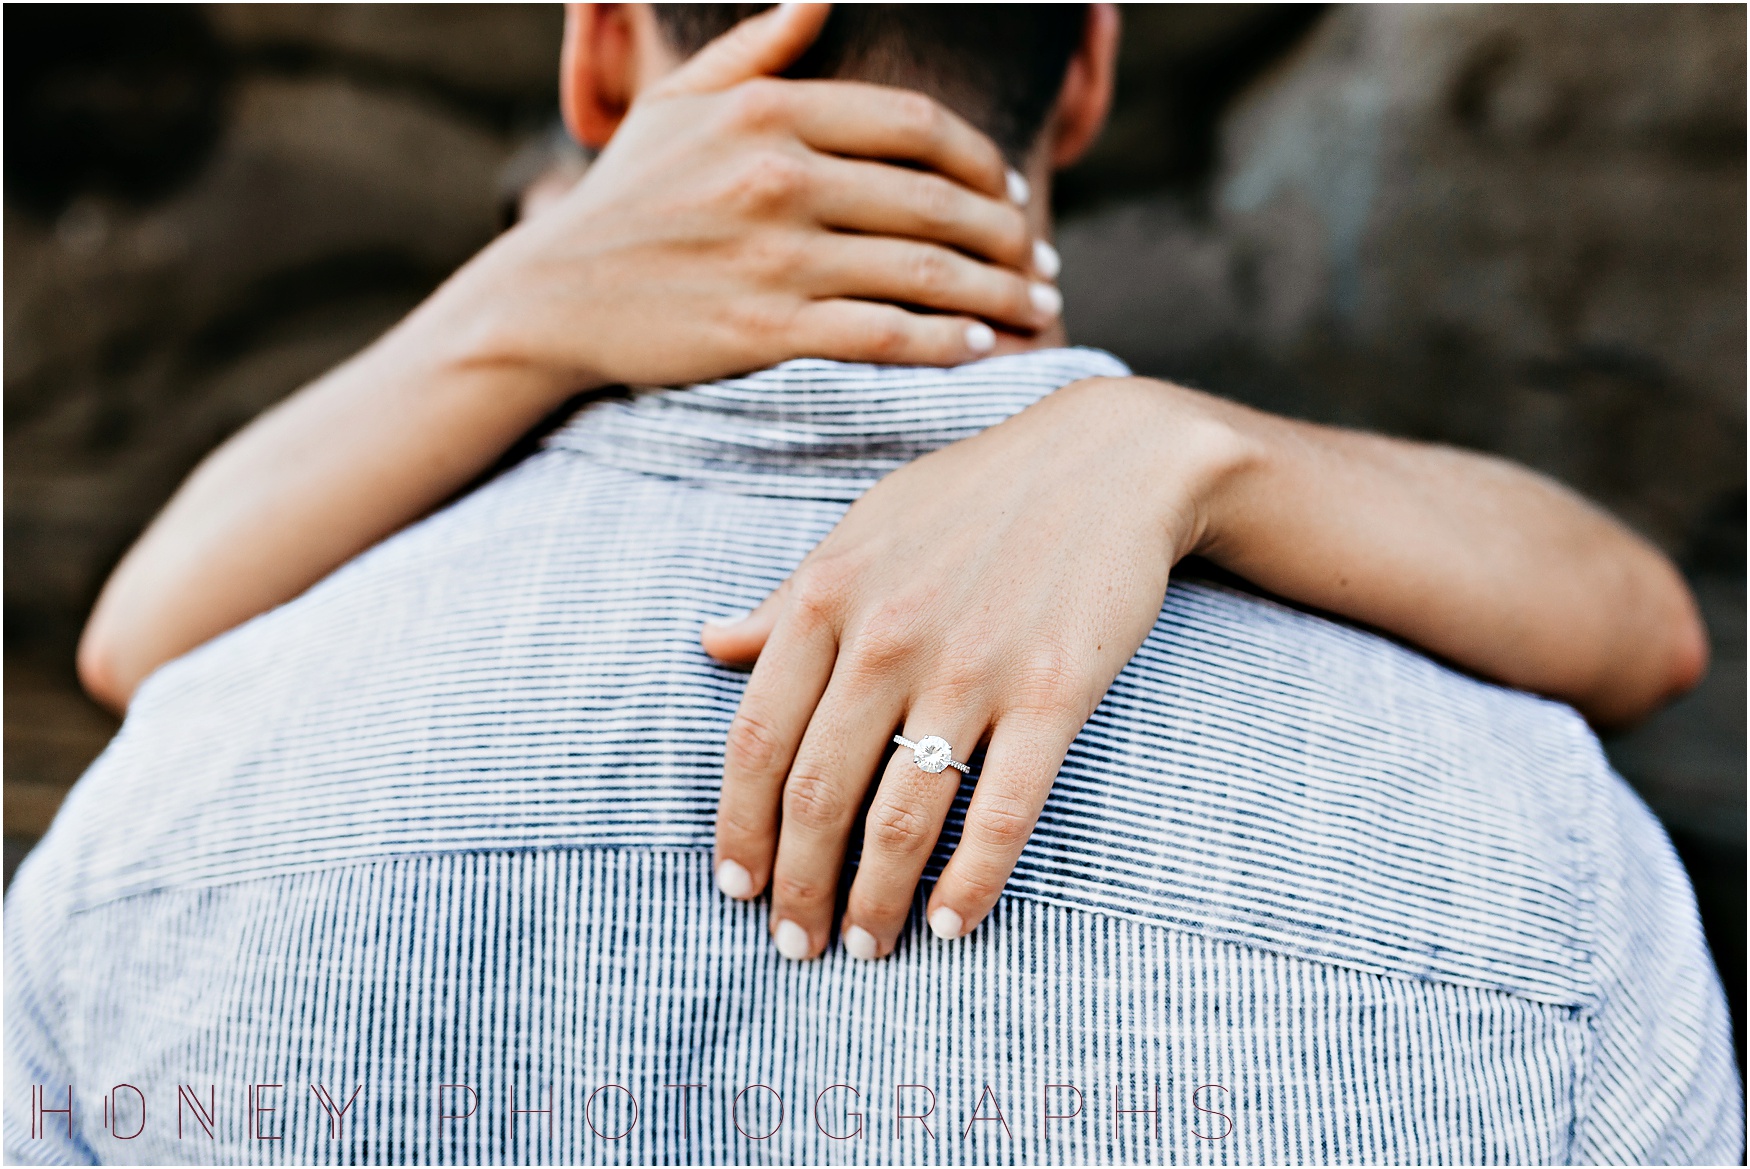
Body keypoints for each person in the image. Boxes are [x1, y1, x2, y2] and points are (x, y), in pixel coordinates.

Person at [8, 4, 1739, 1163]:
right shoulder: (1543, 862)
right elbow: (1644, 630)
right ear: (1084, 71)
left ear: (599, 64)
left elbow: (142, 649)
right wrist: (1175, 447)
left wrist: (533, 282)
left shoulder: (152, 833)